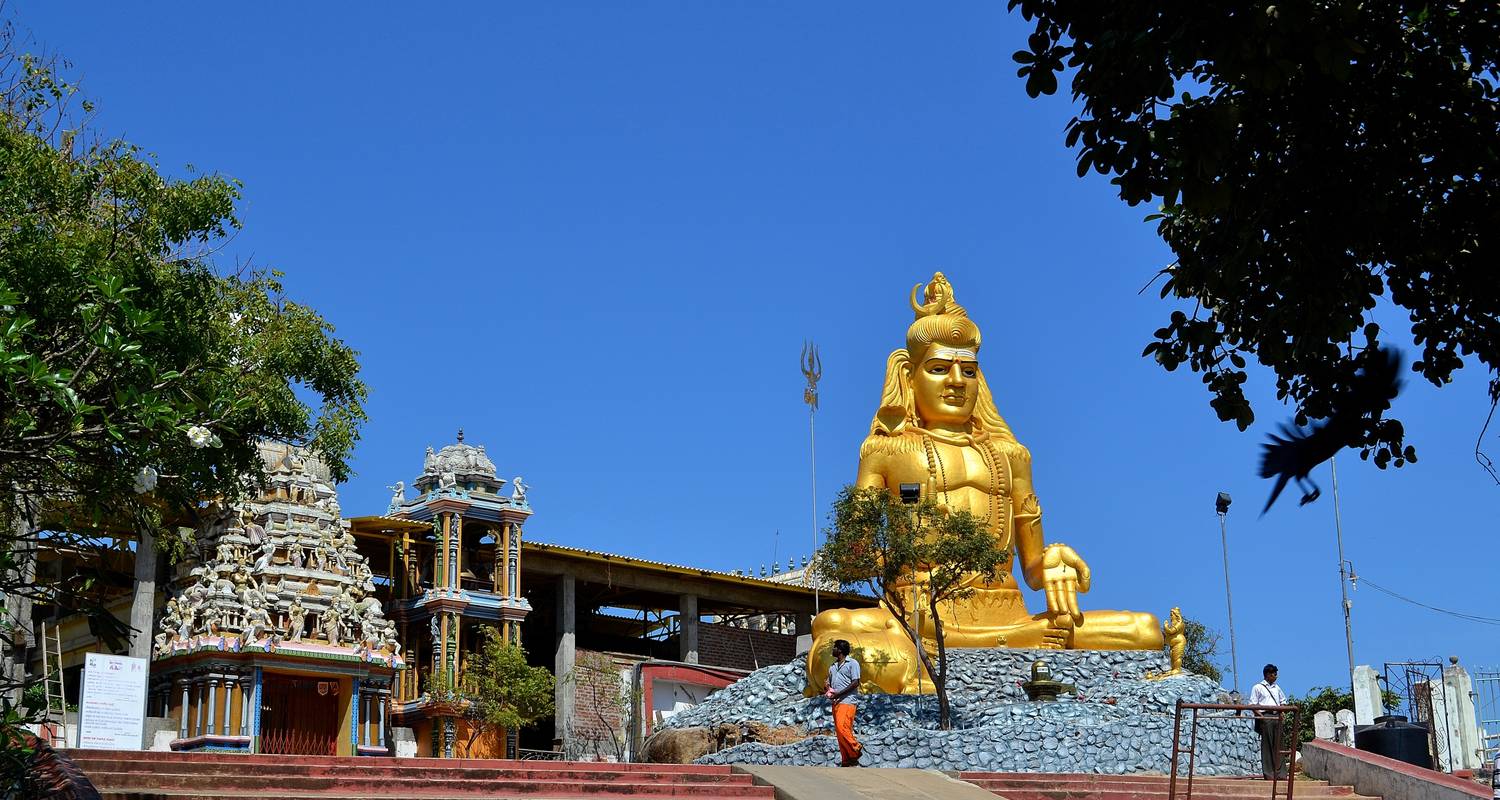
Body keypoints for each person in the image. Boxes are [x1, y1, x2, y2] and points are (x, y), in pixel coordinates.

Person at [808, 272, 1163, 696]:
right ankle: (999, 647)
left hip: (1006, 609)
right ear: (909, 374)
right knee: (833, 635)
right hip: (919, 611)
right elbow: (854, 558)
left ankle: (981, 647)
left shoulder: (1012, 457)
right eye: (939, 369)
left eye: (968, 370)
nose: (957, 382)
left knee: (1146, 630)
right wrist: (890, 556)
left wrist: (1052, 561)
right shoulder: (886, 452)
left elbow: (1031, 570)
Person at [824, 639, 863, 767]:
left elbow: (855, 682)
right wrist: (827, 687)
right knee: (839, 733)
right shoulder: (833, 666)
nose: (833, 650)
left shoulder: (852, 663)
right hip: (836, 702)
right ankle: (847, 759)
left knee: (843, 728)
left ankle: (855, 747)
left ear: (840, 650)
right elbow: (830, 684)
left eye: (834, 647)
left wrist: (839, 694)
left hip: (847, 701)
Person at [1249, 663, 1290, 779]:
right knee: (1267, 746)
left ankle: (1281, 774)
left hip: (1277, 716)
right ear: (1268, 674)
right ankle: (1269, 774)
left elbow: (1283, 701)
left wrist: (1282, 713)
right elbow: (1252, 704)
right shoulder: (1258, 687)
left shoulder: (1277, 688)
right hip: (1265, 716)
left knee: (1279, 745)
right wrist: (1261, 717)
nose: (1276, 677)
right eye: (1274, 674)